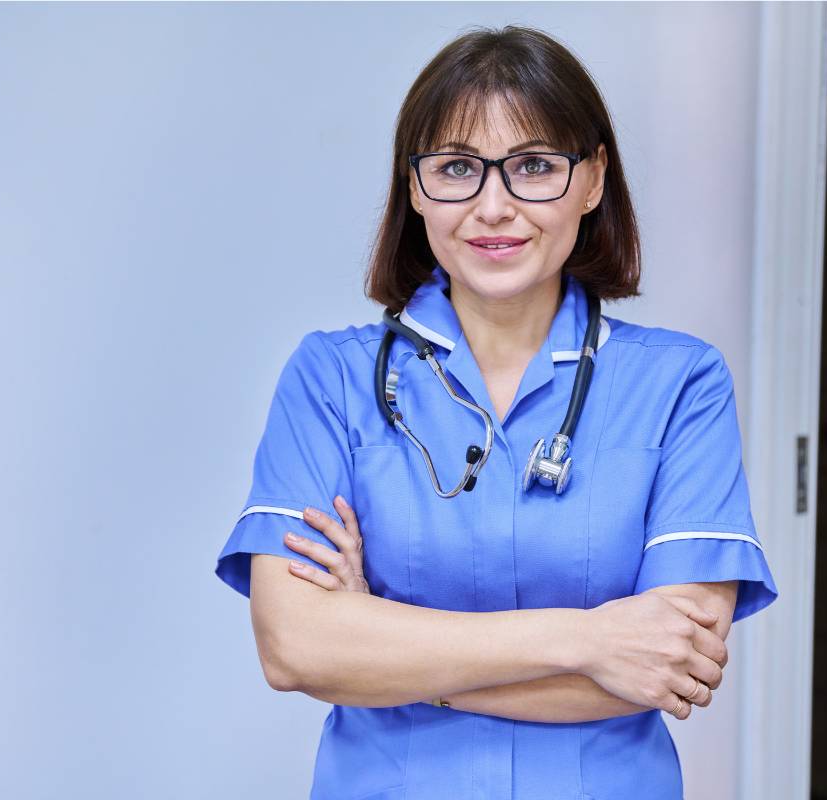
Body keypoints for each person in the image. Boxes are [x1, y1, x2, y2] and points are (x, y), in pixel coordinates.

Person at [214, 24, 778, 800]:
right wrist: (589, 638)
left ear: (593, 179)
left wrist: (384, 650)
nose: (493, 207)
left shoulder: (682, 384)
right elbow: (294, 648)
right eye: (456, 168)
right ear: (415, 188)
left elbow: (670, 665)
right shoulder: (331, 379)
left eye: (534, 166)